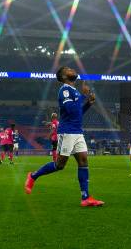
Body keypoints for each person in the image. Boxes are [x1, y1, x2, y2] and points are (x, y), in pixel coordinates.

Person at [25, 66, 104, 207]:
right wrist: (84, 95)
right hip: (66, 132)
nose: (71, 69)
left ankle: (85, 198)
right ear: (63, 77)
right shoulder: (65, 90)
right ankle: (33, 176)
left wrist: (88, 103)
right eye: (68, 69)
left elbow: (77, 112)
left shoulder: (73, 91)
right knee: (60, 164)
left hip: (77, 132)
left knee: (83, 161)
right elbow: (71, 109)